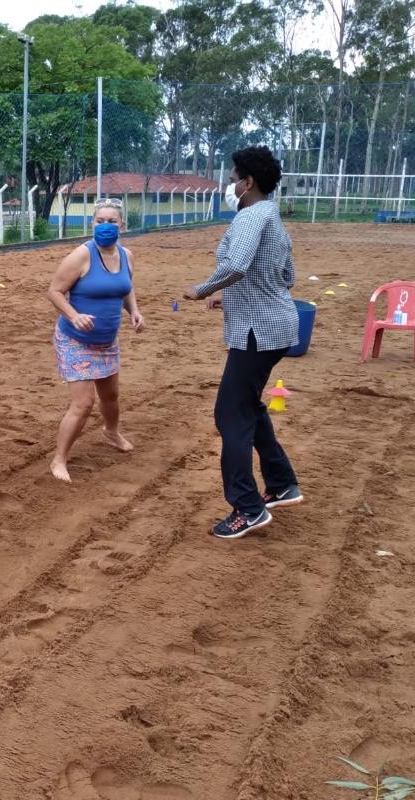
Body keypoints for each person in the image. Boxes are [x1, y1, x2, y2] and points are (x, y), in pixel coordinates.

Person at [183, 146, 304, 539]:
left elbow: (236, 266)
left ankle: (247, 507)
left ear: (248, 182)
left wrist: (203, 290)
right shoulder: (272, 216)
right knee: (247, 406)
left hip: (258, 333)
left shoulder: (252, 216)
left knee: (230, 415)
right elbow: (285, 276)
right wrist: (230, 295)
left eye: (234, 177)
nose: (231, 184)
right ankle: (282, 482)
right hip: (277, 327)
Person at [46, 198, 145, 483]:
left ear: (122, 225)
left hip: (106, 340)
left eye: (111, 221)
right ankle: (59, 459)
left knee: (111, 396)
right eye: (100, 221)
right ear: (92, 224)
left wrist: (134, 311)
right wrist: (74, 315)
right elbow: (54, 291)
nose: (105, 226)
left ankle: (111, 432)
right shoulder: (81, 255)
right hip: (75, 339)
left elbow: (125, 287)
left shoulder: (127, 255)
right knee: (84, 403)